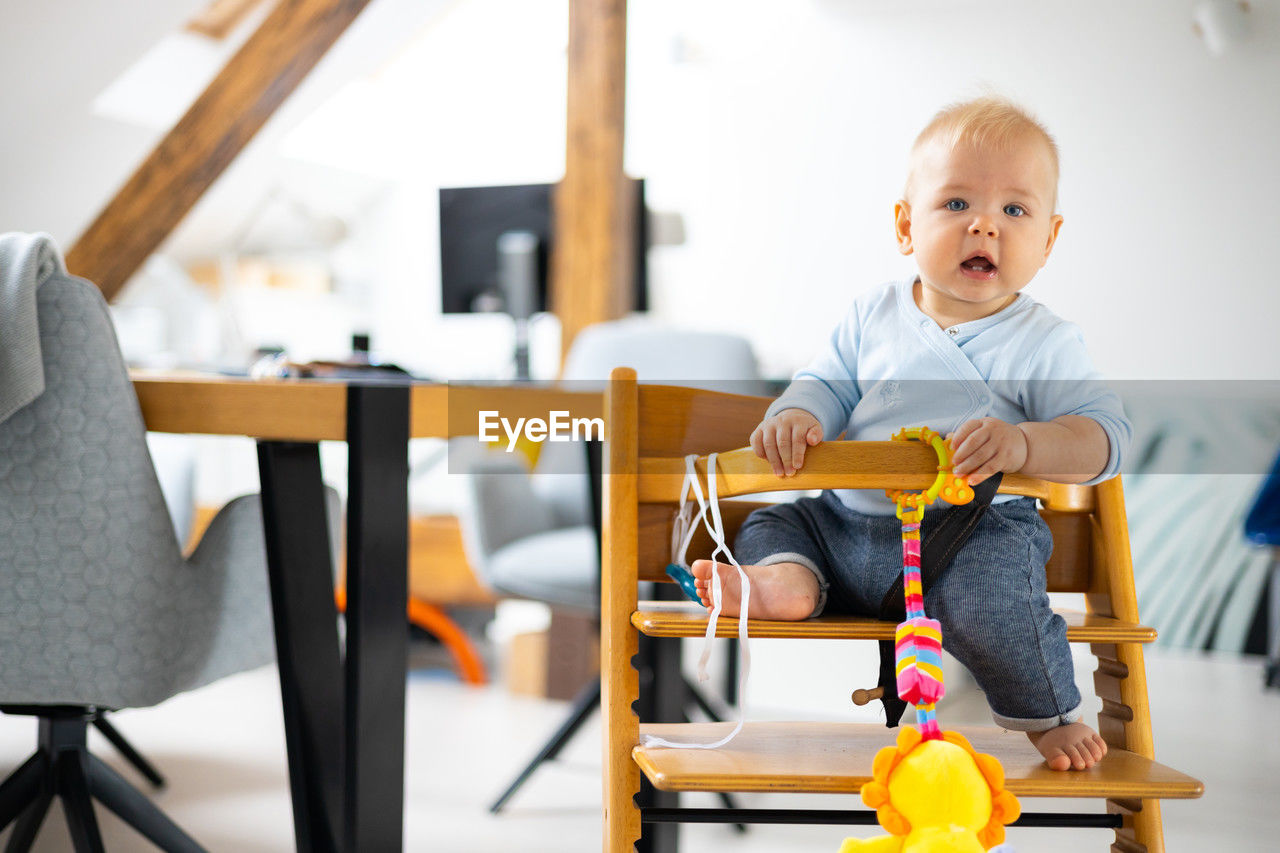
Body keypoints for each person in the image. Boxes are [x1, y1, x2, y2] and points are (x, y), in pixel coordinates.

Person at [690, 96, 1131, 773]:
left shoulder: (1044, 342)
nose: (985, 224)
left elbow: (1106, 436)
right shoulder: (872, 315)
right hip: (843, 524)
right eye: (956, 204)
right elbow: (825, 385)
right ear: (905, 225)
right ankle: (785, 583)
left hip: (969, 535)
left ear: (1049, 239)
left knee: (994, 601)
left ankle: (1047, 714)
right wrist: (796, 415)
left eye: (1015, 210)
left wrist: (1026, 444)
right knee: (775, 520)